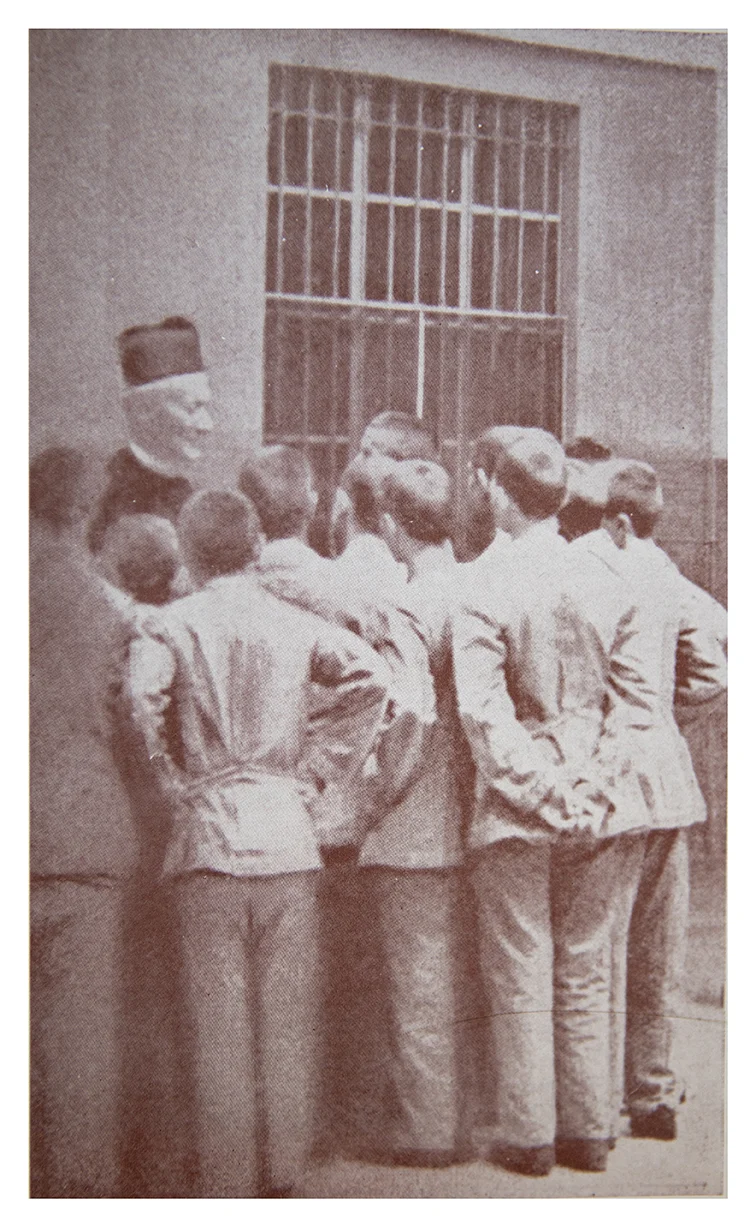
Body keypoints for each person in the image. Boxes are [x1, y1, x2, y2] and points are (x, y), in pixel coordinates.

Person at [126, 489, 390, 1198]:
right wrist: (318, 770)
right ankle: (284, 1173)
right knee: (288, 1020)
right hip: (288, 836)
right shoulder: (294, 620)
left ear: (189, 553)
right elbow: (372, 677)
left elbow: (140, 701)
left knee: (218, 1023)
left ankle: (227, 1178)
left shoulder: (170, 625)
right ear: (255, 548)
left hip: (208, 838)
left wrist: (169, 780)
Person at [452, 426, 651, 1177]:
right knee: (586, 966)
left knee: (521, 968)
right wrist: (589, 787)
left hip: (518, 807)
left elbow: (483, 715)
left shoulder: (480, 585)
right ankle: (589, 1130)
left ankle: (530, 1135)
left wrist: (543, 792)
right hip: (600, 803)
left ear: (495, 492)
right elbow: (636, 708)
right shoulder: (612, 580)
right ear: (564, 495)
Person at [570, 461, 727, 1142]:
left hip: (613, 776)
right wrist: (665, 714)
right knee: (658, 949)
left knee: (601, 943)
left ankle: (597, 1098)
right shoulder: (666, 571)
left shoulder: (589, 565)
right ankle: (654, 1092)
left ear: (618, 521)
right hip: (670, 777)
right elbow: (715, 667)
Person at [30, 447, 140, 1196]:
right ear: (88, 514)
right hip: (84, 832)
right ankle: (80, 1190)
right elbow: (136, 725)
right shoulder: (110, 610)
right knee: (81, 1044)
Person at [357, 459, 473, 1164]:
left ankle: (428, 1129)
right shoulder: (480, 585)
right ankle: (464, 1116)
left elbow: (407, 713)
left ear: (393, 526)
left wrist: (376, 796)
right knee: (460, 978)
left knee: (419, 982)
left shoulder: (409, 606)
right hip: (476, 814)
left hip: (418, 822)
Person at [89, 316, 213, 552]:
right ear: (142, 411)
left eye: (205, 407)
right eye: (192, 408)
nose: (208, 425)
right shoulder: (108, 504)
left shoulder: (187, 495)